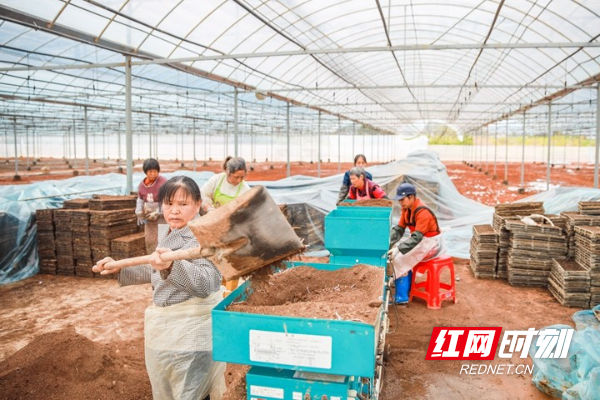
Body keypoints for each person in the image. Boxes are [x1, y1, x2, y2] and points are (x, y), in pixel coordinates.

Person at [93, 176, 226, 400]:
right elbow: (157, 270)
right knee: (172, 386)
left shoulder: (204, 237)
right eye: (169, 203)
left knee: (193, 391)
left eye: (183, 204)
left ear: (197, 204)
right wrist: (120, 270)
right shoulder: (169, 232)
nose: (174, 210)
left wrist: (173, 264)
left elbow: (207, 282)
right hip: (168, 329)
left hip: (191, 333)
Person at [388, 182, 442, 278]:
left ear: (411, 197)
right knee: (395, 255)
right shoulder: (406, 209)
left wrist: (399, 249)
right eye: (399, 200)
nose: (400, 202)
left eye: (402, 199)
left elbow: (417, 237)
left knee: (398, 259)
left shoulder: (423, 212)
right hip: (420, 240)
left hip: (431, 243)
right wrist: (387, 242)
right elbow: (399, 229)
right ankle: (405, 283)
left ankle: (402, 292)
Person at [136, 158, 168, 254]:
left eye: (155, 171)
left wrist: (160, 210)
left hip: (162, 216)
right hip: (149, 216)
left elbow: (168, 198)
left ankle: (165, 261)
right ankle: (151, 259)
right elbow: (140, 199)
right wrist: (139, 212)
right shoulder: (142, 185)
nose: (153, 174)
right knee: (150, 240)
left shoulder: (163, 182)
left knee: (162, 239)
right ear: (146, 172)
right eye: (150, 172)